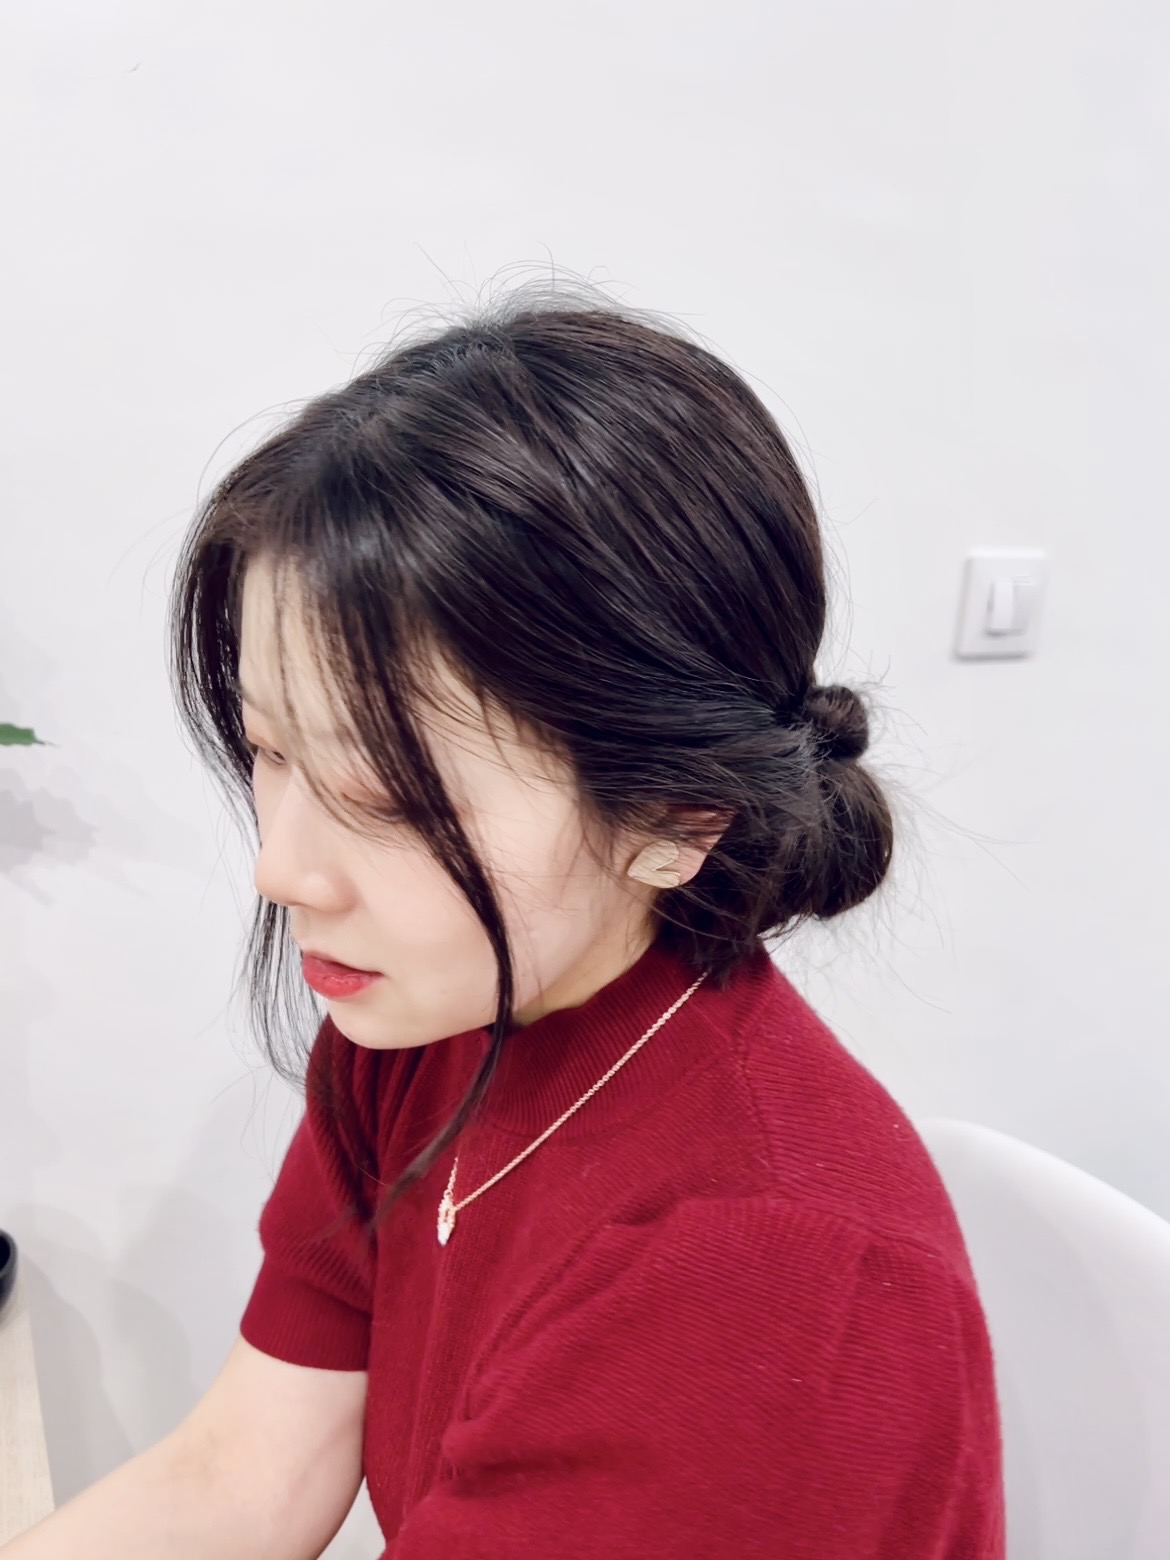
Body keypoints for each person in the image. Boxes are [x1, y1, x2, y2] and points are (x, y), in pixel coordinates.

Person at [3, 281, 1005, 1558]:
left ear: (677, 818)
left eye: (386, 797)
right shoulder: (424, 1023)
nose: (281, 870)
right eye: (268, 751)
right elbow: (239, 1474)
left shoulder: (762, 1283)